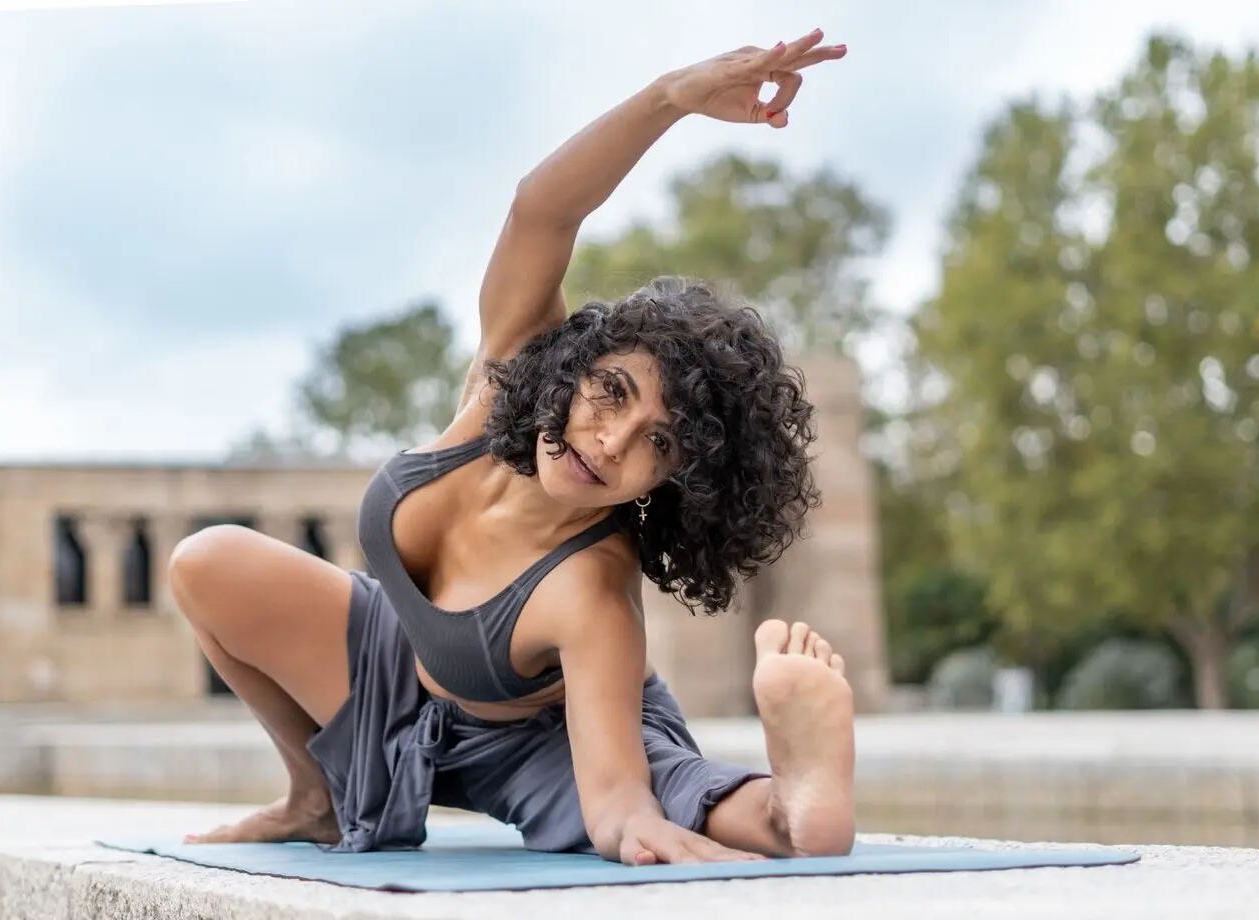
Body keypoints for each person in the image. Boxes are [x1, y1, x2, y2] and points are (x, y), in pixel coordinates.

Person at [169, 28, 855, 866]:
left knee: (677, 803)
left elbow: (615, 804)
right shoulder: (506, 374)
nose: (611, 438)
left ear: (679, 482)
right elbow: (544, 208)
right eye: (612, 392)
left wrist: (631, 816)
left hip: (533, 744)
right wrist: (671, 97)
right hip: (391, 669)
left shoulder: (593, 592)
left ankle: (794, 800)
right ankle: (314, 796)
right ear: (571, 366)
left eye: (660, 442)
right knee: (206, 563)